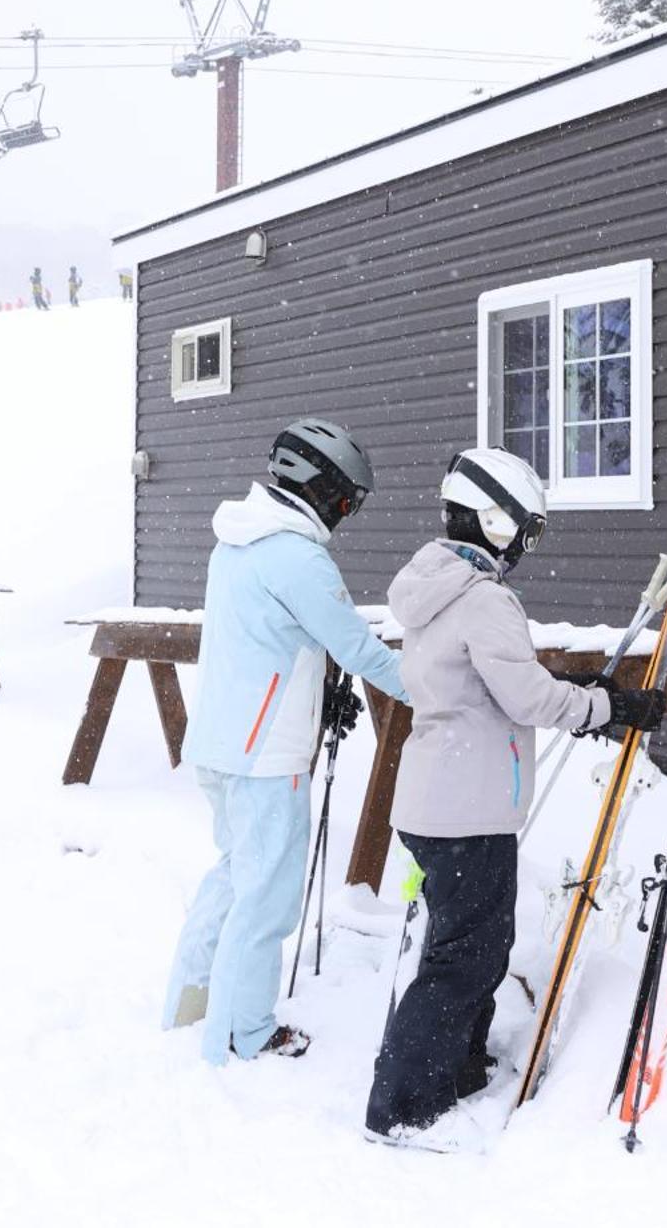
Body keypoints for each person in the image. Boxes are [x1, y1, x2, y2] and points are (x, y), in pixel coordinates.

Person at [365, 448, 663, 1149]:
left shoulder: (433, 588)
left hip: (438, 800)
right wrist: (607, 708)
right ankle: (402, 1105)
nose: (526, 547)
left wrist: (590, 695)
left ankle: (457, 1066)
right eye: (525, 531)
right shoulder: (484, 598)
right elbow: (524, 694)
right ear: (494, 519)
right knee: (464, 957)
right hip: (465, 807)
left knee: (471, 944)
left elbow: (489, 681)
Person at [163, 419, 412, 1067]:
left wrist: (315, 681)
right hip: (267, 755)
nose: (346, 514)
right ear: (322, 488)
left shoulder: (237, 541)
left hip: (220, 742)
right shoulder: (299, 556)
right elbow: (358, 647)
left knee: (232, 874)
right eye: (347, 500)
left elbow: (272, 636)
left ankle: (188, 1004)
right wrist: (433, 690)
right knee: (266, 898)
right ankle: (244, 1033)